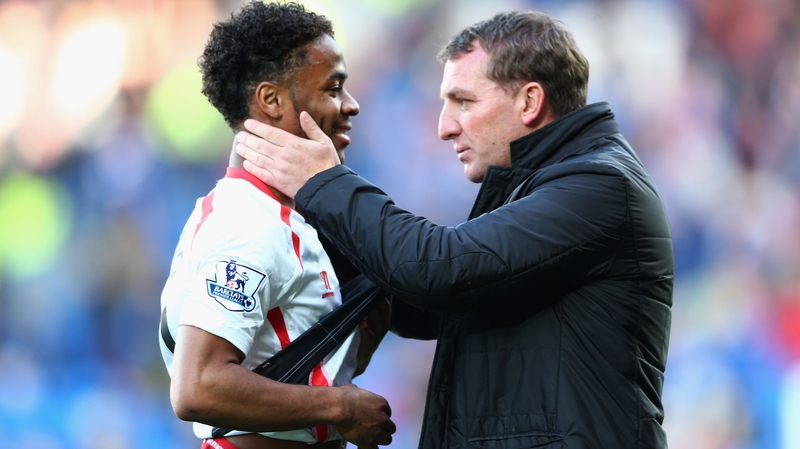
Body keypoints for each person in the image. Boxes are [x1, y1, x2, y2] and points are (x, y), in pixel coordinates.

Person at [233, 9, 674, 449]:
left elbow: (439, 269)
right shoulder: (538, 187)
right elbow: (432, 303)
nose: (445, 127)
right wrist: (307, 223)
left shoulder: (599, 186)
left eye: (463, 102)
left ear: (529, 102)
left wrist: (323, 184)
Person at [158, 2, 395, 449]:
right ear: (271, 100)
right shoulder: (248, 224)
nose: (351, 105)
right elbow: (198, 387)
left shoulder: (283, 216)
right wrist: (340, 407)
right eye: (333, 88)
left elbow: (274, 367)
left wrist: (359, 346)